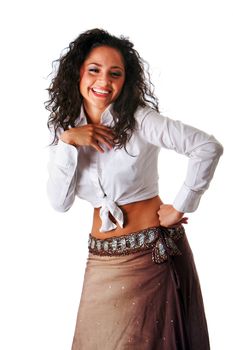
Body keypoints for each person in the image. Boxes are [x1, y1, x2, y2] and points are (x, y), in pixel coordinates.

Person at [45, 28, 223, 350]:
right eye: (94, 70)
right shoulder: (67, 128)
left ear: (126, 80)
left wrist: (182, 204)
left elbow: (207, 147)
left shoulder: (140, 120)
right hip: (99, 263)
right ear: (78, 73)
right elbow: (60, 202)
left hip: (149, 258)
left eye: (115, 73)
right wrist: (69, 142)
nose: (104, 82)